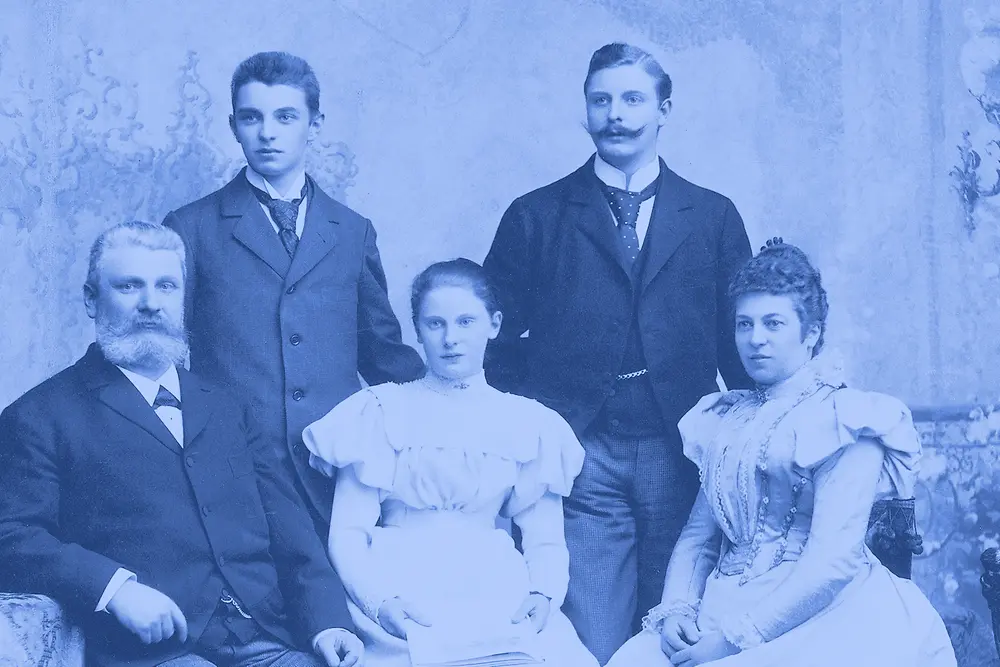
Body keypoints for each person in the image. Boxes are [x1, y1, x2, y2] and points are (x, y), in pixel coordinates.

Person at [482, 42, 753, 663]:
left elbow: (737, 341)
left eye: (633, 99)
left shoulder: (711, 216)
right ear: (585, 112)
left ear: (664, 109)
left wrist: (742, 428)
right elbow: (490, 338)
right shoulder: (537, 215)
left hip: (680, 448)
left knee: (677, 627)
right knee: (590, 635)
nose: (616, 114)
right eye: (600, 100)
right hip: (582, 455)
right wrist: (548, 410)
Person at [0, 222, 364, 667]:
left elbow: (289, 528)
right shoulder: (38, 415)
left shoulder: (228, 405)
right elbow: (11, 535)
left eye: (166, 286)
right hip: (152, 652)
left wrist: (329, 623)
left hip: (267, 637)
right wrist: (115, 589)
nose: (151, 303)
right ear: (92, 299)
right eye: (129, 286)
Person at [606, 240, 957, 666]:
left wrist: (732, 641)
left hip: (823, 618)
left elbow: (831, 564)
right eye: (744, 324)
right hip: (719, 610)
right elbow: (699, 538)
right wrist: (678, 609)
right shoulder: (725, 419)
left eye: (773, 324)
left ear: (810, 333)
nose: (756, 340)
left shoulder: (847, 419)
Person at [163, 51, 425, 535]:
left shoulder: (351, 231)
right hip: (237, 472)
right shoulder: (192, 228)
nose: (268, 133)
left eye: (285, 117)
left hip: (335, 475)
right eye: (252, 118)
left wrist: (453, 410)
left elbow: (384, 355)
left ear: (315, 124)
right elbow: (164, 356)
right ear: (233, 125)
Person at [301, 259, 600, 667]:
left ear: (493, 325)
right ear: (418, 331)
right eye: (435, 324)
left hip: (494, 585)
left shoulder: (529, 422)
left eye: (465, 322)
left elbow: (545, 537)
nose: (450, 339)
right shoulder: (379, 411)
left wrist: (544, 594)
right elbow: (348, 534)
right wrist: (380, 603)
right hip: (399, 590)